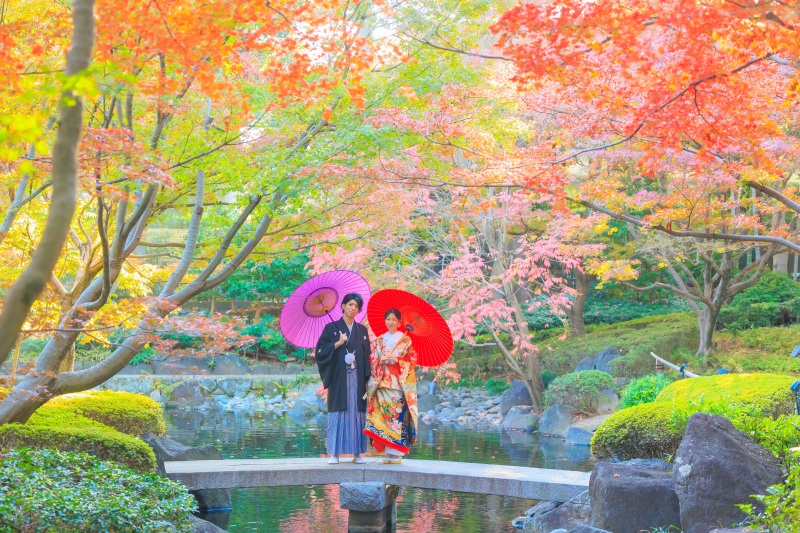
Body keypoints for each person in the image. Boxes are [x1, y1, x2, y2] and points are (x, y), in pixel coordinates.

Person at [315, 293, 371, 464]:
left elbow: (367, 354)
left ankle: (357, 453)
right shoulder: (331, 328)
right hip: (339, 378)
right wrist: (337, 343)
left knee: (357, 414)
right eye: (350, 304)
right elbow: (320, 351)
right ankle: (334, 453)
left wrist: (367, 379)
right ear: (343, 306)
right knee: (339, 413)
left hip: (357, 377)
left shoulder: (362, 330)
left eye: (356, 306)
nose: (353, 308)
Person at [363, 308, 418, 464]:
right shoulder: (380, 340)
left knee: (396, 417)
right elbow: (372, 359)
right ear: (385, 321)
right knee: (384, 418)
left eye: (394, 319)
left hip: (397, 385)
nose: (391, 322)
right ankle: (387, 452)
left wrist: (397, 360)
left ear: (399, 322)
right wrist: (379, 361)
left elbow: (412, 361)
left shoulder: (405, 340)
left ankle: (396, 452)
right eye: (388, 319)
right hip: (381, 384)